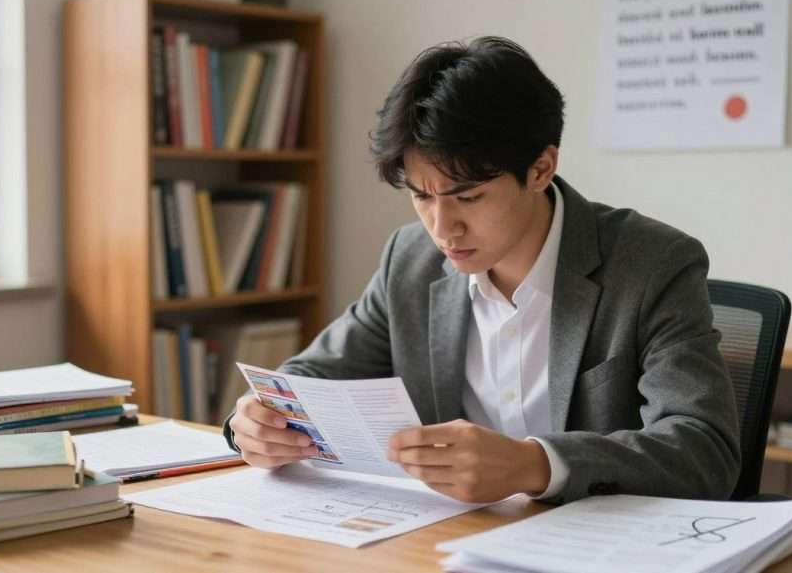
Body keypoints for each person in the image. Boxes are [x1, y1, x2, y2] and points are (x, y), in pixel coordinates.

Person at [224, 36, 740, 504]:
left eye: (468, 197)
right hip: (445, 543)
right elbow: (313, 375)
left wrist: (535, 464)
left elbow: (704, 448)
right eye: (421, 197)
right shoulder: (409, 259)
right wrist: (255, 418)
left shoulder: (652, 264)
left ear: (541, 169)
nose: (443, 228)